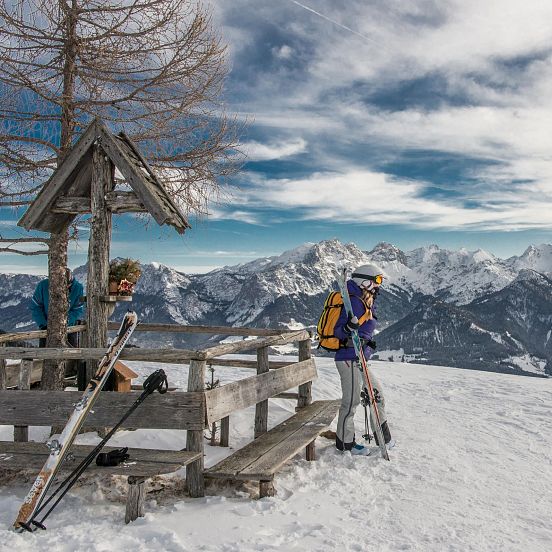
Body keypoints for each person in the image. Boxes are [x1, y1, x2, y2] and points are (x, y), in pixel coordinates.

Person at [333, 263, 394, 456]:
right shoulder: (353, 301)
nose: (379, 285)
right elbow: (338, 331)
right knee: (350, 403)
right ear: (365, 280)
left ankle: (383, 438)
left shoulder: (364, 299)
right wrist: (347, 328)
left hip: (360, 359)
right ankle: (345, 443)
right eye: (376, 280)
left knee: (377, 395)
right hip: (349, 358)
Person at [30, 268, 84, 348]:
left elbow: (77, 309)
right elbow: (35, 307)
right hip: (47, 327)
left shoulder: (78, 288)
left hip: (69, 327)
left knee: (71, 354)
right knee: (45, 353)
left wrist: (65, 322)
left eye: (66, 286)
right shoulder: (43, 286)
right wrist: (44, 324)